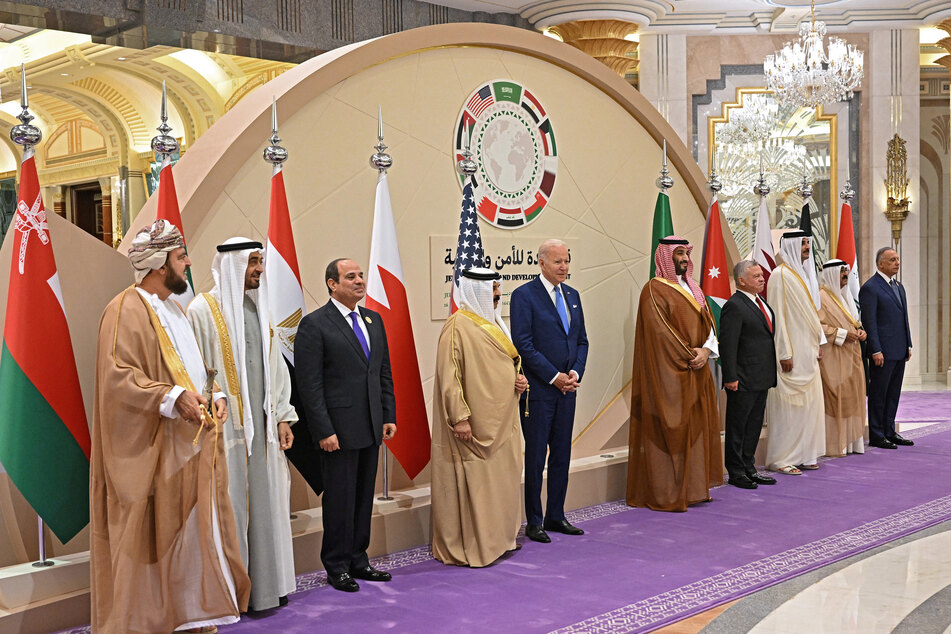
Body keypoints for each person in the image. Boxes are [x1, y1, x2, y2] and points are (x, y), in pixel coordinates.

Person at [91, 219, 250, 633]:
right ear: (160, 265)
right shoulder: (125, 308)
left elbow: (190, 371)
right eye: (181, 258)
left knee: (190, 543)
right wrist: (171, 398)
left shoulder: (173, 309)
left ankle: (190, 620)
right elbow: (117, 377)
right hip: (154, 453)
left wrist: (210, 395)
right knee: (149, 545)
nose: (188, 264)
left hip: (188, 449)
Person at [187, 238, 297, 611]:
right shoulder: (202, 310)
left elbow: (276, 370)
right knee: (231, 510)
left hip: (262, 431)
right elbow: (193, 367)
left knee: (266, 508)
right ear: (232, 265)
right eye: (252, 262)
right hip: (226, 432)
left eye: (260, 262)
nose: (259, 270)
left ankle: (267, 589)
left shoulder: (258, 307)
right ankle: (232, 595)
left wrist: (283, 415)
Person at [294, 258, 397, 592]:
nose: (359, 281)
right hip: (336, 431)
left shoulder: (373, 320)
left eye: (361, 275)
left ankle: (358, 559)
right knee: (339, 500)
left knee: (364, 497)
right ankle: (336, 565)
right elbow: (309, 385)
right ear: (331, 284)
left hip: (370, 427)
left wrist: (388, 415)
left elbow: (382, 372)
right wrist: (323, 430)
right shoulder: (315, 324)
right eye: (350, 276)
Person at [431, 268, 528, 566]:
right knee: (479, 485)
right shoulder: (457, 326)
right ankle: (477, 544)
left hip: (503, 420)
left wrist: (518, 380)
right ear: (479, 292)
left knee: (503, 482)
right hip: (474, 425)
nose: (498, 299)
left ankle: (501, 538)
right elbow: (451, 375)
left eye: (499, 294)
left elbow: (506, 363)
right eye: (493, 293)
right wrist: (460, 417)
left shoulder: (494, 324)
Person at [626, 236, 723, 511]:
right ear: (665, 257)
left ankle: (693, 489)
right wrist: (689, 355)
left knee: (696, 430)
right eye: (677, 253)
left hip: (698, 369)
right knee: (670, 429)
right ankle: (668, 493)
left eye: (685, 253)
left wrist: (705, 351)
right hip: (670, 374)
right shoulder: (654, 289)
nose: (683, 258)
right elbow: (660, 333)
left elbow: (710, 325)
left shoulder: (694, 288)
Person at [510, 239, 588, 543]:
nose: (564, 267)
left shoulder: (573, 295)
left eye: (567, 261)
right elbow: (524, 345)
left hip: (568, 390)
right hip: (539, 392)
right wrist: (553, 376)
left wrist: (574, 372)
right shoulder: (524, 296)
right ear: (541, 262)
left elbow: (582, 340)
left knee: (562, 454)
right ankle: (535, 520)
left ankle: (557, 515)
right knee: (536, 457)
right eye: (558, 262)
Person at [765, 230, 826, 475]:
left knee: (809, 404)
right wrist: (784, 353)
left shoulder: (802, 274)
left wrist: (818, 343)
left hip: (808, 351)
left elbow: (810, 315)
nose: (806, 248)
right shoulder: (779, 275)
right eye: (801, 243)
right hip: (791, 353)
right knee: (789, 406)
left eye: (807, 243)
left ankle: (805, 453)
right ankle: (782, 458)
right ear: (789, 246)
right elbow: (777, 316)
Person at [719, 260, 778, 490]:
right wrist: (730, 376)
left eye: (762, 275)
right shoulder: (735, 305)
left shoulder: (760, 302)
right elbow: (728, 344)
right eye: (756, 276)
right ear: (741, 280)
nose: (762, 279)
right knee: (738, 426)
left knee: (753, 425)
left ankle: (749, 467)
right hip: (742, 377)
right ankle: (736, 471)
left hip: (761, 375)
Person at [859, 247, 914, 449]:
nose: (897, 263)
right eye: (892, 260)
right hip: (882, 351)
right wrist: (875, 350)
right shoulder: (870, 288)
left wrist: (908, 343)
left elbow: (904, 317)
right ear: (880, 263)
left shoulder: (898, 286)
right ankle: (877, 434)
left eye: (897, 259)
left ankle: (890, 431)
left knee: (893, 393)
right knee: (879, 394)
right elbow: (870, 322)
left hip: (899, 349)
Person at [818, 259, 867, 457]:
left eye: (846, 272)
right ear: (831, 274)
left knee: (852, 397)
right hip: (833, 356)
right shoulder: (821, 297)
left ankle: (852, 442)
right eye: (841, 272)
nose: (845, 276)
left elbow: (854, 322)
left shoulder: (845, 295)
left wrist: (861, 331)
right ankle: (836, 444)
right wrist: (843, 335)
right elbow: (818, 327)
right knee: (836, 398)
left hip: (852, 355)